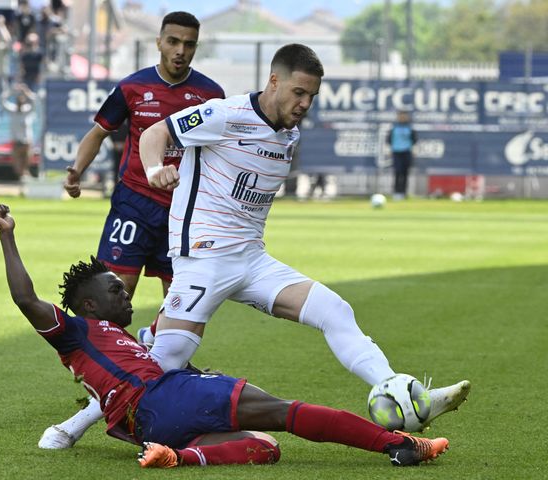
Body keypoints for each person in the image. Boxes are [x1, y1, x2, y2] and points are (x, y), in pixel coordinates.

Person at [138, 43, 470, 428]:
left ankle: (400, 392)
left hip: (251, 260)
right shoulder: (225, 115)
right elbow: (155, 132)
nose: (305, 104)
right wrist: (153, 169)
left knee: (335, 311)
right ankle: (76, 423)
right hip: (204, 257)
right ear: (274, 82)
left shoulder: (288, 135)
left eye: (311, 96)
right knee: (171, 355)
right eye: (299, 92)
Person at [0, 203, 450, 469]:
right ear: (89, 305)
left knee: (265, 449)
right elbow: (27, 299)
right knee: (286, 412)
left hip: (147, 427)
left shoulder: (109, 336)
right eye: (115, 291)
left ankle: (178, 458)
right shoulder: (77, 330)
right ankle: (400, 445)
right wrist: (8, 236)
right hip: (160, 400)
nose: (125, 294)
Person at [51, 12, 224, 447]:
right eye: (173, 41)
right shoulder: (131, 87)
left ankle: (155, 365)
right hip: (133, 204)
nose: (180, 50)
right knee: (111, 300)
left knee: (180, 308)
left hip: (183, 215)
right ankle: (104, 374)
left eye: (188, 43)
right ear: (159, 43)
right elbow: (98, 132)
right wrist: (75, 172)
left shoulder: (210, 94)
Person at [1, 83, 35, 180]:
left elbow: (34, 100)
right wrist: (12, 91)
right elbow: (2, 101)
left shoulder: (27, 111)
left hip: (26, 141)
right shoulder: (12, 110)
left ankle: (25, 176)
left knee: (27, 161)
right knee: (17, 164)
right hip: (16, 141)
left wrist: (26, 91)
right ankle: (19, 178)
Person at [386, 111, 417, 200]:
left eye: (404, 116)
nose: (402, 118)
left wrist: (414, 150)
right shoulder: (394, 128)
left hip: (406, 152)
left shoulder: (410, 128)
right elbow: (389, 140)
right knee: (397, 172)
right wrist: (389, 149)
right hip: (396, 152)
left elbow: (414, 140)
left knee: (405, 173)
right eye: (401, 116)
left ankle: (403, 193)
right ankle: (396, 192)